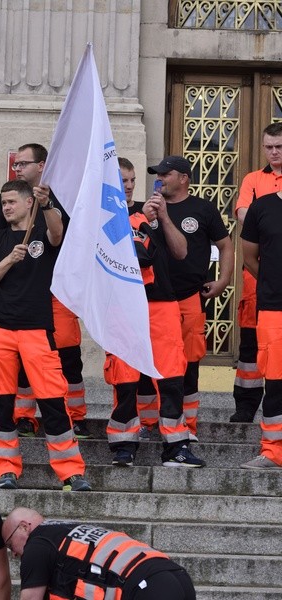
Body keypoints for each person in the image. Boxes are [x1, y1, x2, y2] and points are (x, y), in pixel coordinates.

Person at [0, 178, 91, 491]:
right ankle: (5, 470)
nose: (6, 207)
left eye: (12, 202)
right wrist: (8, 260)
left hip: (36, 330)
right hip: (1, 329)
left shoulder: (43, 231)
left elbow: (58, 233)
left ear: (29, 202)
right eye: (3, 203)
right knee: (2, 404)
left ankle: (70, 472)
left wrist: (48, 204)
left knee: (53, 401)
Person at [104, 158, 205, 468]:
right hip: (125, 306)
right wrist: (139, 221)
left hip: (163, 303)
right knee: (125, 378)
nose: (130, 185)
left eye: (133, 180)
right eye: (123, 180)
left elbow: (180, 251)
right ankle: (124, 444)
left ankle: (176, 446)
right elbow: (131, 255)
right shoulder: (107, 217)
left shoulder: (157, 213)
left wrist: (160, 217)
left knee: (172, 375)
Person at [144, 156, 234, 440]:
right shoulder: (148, 210)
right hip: (153, 299)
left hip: (189, 296)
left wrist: (223, 281)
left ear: (183, 177)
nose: (160, 179)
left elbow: (226, 245)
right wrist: (145, 218)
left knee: (188, 361)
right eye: (158, 174)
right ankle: (150, 423)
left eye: (165, 174)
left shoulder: (203, 209)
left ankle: (187, 426)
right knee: (151, 361)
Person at [3, 507, 197, 600]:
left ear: (23, 527)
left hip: (145, 588)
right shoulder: (67, 531)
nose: (14, 554)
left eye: (11, 545)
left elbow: (30, 599)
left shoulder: (37, 544)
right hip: (175, 576)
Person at [231, 122, 282, 423]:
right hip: (257, 276)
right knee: (250, 342)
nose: (273, 152)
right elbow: (243, 216)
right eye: (269, 147)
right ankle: (246, 406)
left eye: (279, 147)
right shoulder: (252, 179)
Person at [240, 189, 282, 469]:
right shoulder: (262, 207)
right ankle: (272, 452)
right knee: (276, 381)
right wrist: (271, 282)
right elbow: (250, 258)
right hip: (273, 307)